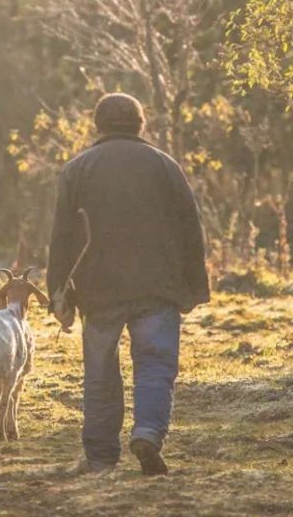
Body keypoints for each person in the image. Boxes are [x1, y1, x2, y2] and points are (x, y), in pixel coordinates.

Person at [45, 91, 210, 477]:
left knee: (101, 372)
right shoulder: (165, 166)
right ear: (141, 124)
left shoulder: (77, 169)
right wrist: (194, 287)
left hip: (98, 289)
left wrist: (60, 292)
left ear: (97, 124)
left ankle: (101, 457)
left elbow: (62, 238)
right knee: (155, 364)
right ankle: (148, 434)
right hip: (158, 286)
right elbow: (191, 228)